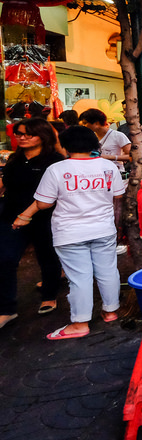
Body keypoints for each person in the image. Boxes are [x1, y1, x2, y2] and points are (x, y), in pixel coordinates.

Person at [15, 126, 126, 340]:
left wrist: (25, 215)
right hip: (103, 228)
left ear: (65, 145)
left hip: (70, 233)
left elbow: (44, 203)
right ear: (94, 144)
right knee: (108, 271)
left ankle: (80, 323)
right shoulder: (107, 166)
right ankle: (111, 311)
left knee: (79, 278)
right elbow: (118, 196)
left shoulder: (57, 169)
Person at [0, 118, 66, 330]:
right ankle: (7, 309)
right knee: (5, 258)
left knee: (47, 256)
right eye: (19, 133)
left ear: (43, 136)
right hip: (12, 215)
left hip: (45, 217)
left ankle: (49, 294)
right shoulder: (14, 159)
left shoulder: (54, 160)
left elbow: (56, 194)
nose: (23, 137)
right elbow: (6, 185)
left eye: (29, 133)